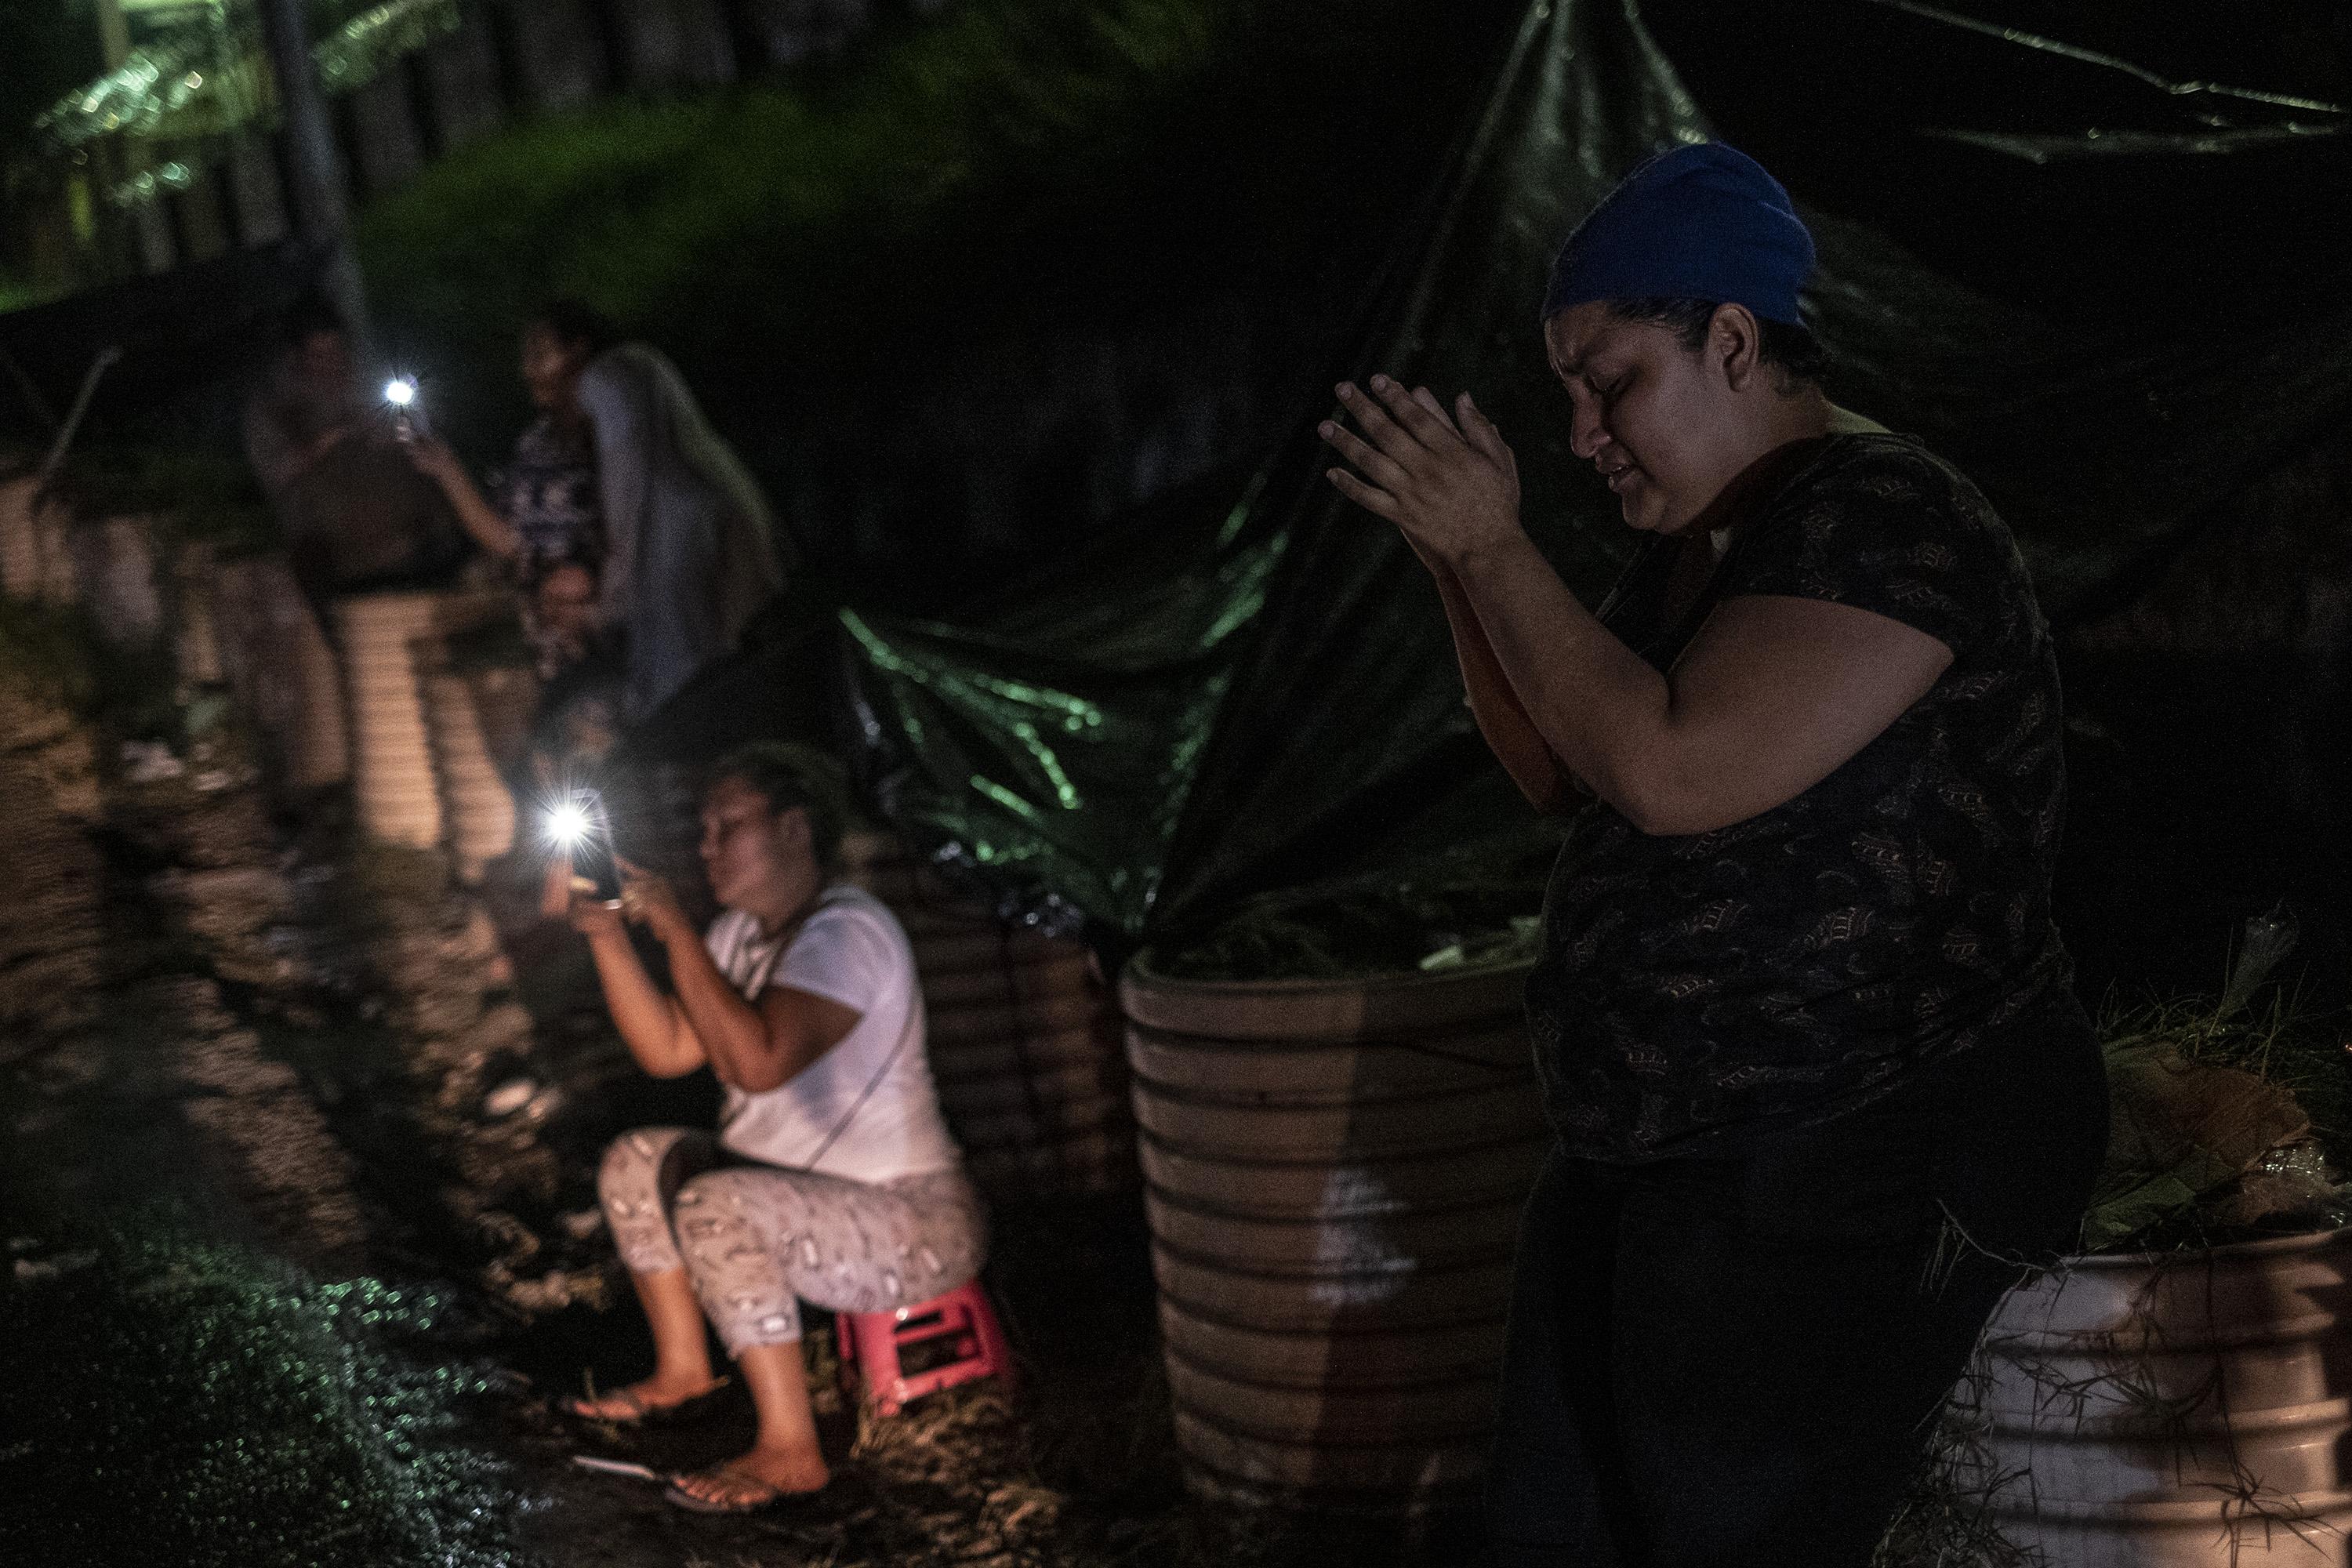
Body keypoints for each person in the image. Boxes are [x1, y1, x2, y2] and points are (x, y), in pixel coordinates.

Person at [1318, 143, 2107, 1567]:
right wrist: (1454, 567)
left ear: (1733, 341)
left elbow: (1673, 770)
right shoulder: (1705, 544)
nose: (1580, 433)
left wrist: (1500, 554)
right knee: (1562, 1528)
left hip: (1850, 1141)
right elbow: (1566, 765)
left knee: (1732, 1531)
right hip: (1668, 1151)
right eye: (1565, 392)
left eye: (1609, 379)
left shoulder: (1884, 519)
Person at [546, 742, 984, 1513]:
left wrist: (676, 928)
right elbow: (670, 1050)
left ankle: (792, 1449)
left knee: (714, 1204)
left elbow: (757, 1062)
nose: (706, 846)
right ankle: (684, 1371)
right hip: (801, 1202)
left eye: (727, 826)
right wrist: (610, 934)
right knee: (636, 1159)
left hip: (915, 1221)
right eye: (703, 829)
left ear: (794, 827)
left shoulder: (849, 932)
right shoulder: (739, 937)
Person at [572, 341, 789, 722]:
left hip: (712, 715)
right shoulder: (666, 497)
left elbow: (699, 641)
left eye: (608, 429)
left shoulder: (690, 505)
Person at [405, 299, 614, 681]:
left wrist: (585, 582)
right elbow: (508, 540)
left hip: (613, 651)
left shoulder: (616, 442)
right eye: (525, 358)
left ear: (578, 354)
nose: (526, 370)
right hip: (551, 653)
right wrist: (446, 468)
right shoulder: (535, 445)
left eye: (539, 355)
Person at [242, 293, 466, 610]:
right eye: (319, 356)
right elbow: (277, 470)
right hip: (340, 559)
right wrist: (331, 438)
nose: (332, 365)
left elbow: (428, 427)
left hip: (419, 540)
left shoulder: (371, 385)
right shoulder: (275, 408)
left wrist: (398, 430)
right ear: (298, 360)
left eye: (337, 351)